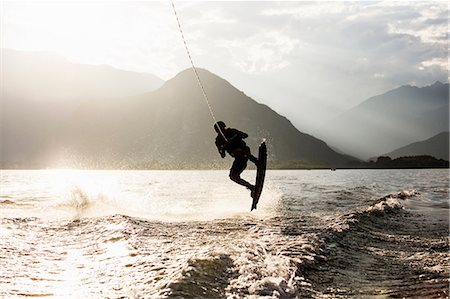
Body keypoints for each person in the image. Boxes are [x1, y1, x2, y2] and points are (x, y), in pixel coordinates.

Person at [214, 121, 259, 194]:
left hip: (245, 152)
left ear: (224, 127)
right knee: (233, 176)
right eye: (218, 130)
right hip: (239, 160)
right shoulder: (218, 140)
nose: (220, 131)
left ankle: (256, 161)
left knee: (238, 150)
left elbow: (245, 135)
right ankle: (251, 187)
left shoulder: (232, 131)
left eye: (221, 129)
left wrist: (235, 137)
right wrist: (222, 149)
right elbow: (223, 156)